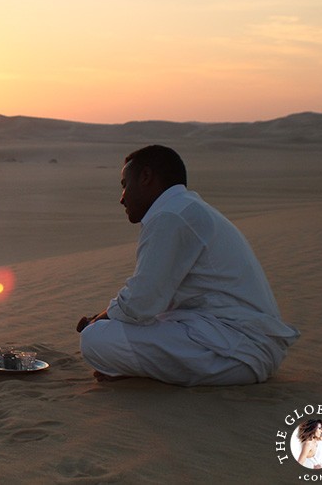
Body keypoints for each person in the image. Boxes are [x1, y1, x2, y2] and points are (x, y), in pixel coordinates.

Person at [77, 145, 299, 386]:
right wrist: (110, 317)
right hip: (231, 342)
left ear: (146, 177)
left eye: (124, 185)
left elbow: (142, 302)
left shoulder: (171, 216)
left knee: (94, 339)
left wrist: (100, 320)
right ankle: (137, 366)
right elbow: (153, 302)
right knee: (128, 326)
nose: (122, 198)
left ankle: (138, 368)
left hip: (236, 352)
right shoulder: (184, 208)